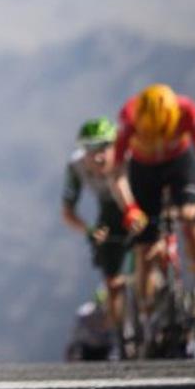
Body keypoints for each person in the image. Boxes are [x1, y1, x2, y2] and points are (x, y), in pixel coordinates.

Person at [114, 83, 195, 324]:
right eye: (150, 136)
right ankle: (145, 313)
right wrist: (130, 208)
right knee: (144, 247)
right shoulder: (128, 117)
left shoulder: (189, 112)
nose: (158, 141)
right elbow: (117, 172)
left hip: (179, 165)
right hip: (143, 171)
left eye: (163, 134)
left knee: (191, 218)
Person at [61, 117, 128, 358]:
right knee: (113, 282)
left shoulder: (128, 156)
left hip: (139, 204)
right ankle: (121, 336)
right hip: (109, 213)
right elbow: (67, 212)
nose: (98, 157)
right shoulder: (76, 166)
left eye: (104, 148)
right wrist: (88, 230)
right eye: (90, 150)